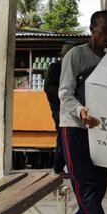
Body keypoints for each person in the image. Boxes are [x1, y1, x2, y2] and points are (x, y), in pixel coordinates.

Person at [59, 10, 107, 214]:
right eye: (105, 30)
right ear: (92, 29)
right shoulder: (76, 56)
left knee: (101, 180)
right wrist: (80, 111)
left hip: (98, 130)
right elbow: (64, 93)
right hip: (75, 128)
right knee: (86, 184)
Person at [44, 44, 73, 175]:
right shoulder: (55, 68)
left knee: (68, 136)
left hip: (70, 107)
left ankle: (64, 167)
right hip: (58, 107)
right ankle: (58, 168)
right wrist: (65, 94)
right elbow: (48, 88)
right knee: (62, 135)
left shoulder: (72, 69)